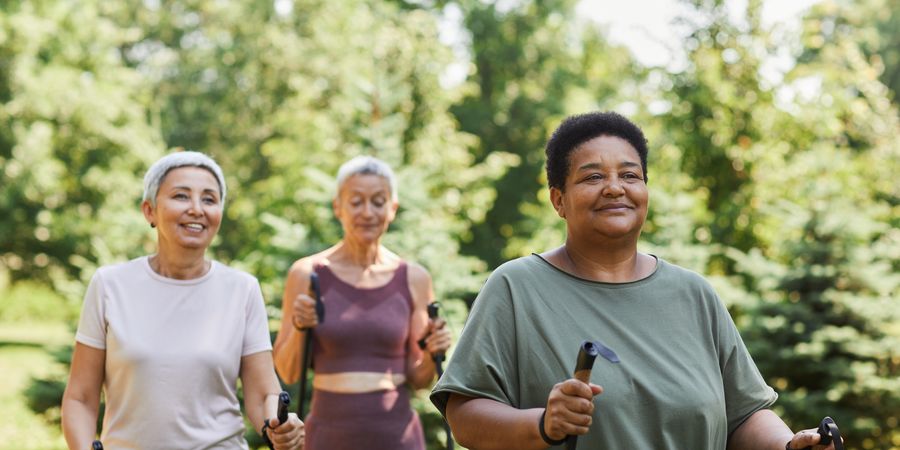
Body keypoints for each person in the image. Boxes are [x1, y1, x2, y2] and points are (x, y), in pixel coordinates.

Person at [429, 112, 841, 450]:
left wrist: (788, 446)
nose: (614, 188)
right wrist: (543, 423)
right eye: (592, 177)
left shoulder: (693, 293)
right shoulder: (516, 288)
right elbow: (464, 416)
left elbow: (745, 414)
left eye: (630, 175)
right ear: (559, 200)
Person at [61, 151, 304, 450]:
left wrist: (279, 426)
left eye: (209, 199)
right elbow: (79, 398)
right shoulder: (110, 285)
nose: (196, 209)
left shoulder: (242, 289)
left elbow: (264, 393)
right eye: (181, 196)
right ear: (150, 211)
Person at [273, 155, 451, 450]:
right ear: (337, 207)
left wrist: (435, 351)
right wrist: (299, 325)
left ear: (392, 208)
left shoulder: (415, 278)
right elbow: (289, 372)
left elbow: (419, 379)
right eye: (356, 202)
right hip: (328, 436)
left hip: (398, 437)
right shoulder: (307, 274)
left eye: (378, 201)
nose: (367, 212)